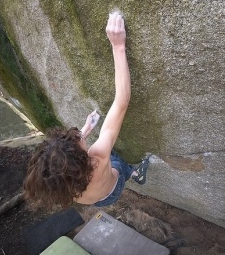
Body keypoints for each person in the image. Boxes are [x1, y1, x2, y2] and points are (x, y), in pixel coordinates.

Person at [24, 11, 150, 209]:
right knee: (118, 162)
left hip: (101, 200)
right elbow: (122, 100)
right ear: (84, 158)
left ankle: (133, 174)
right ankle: (132, 172)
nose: (77, 135)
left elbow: (66, 163)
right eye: (76, 139)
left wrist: (84, 131)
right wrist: (118, 46)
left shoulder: (66, 186)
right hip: (113, 184)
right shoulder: (98, 156)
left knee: (114, 163)